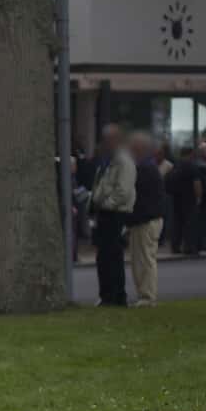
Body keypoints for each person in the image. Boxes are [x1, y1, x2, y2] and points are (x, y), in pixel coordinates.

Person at [89, 124, 135, 307]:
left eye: (108, 140)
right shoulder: (110, 161)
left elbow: (123, 190)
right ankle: (106, 295)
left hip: (115, 213)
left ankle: (116, 296)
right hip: (105, 213)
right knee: (104, 256)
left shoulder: (123, 161)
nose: (105, 143)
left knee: (112, 256)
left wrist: (106, 204)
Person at [128, 132, 166, 306]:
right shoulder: (147, 166)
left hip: (146, 220)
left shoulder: (144, 168)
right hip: (146, 219)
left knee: (144, 260)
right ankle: (145, 294)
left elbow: (136, 194)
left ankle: (147, 296)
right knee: (142, 259)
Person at [166, 144, 204, 257]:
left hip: (177, 198)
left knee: (177, 222)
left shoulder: (176, 165)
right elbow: (197, 183)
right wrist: (199, 197)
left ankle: (175, 246)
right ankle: (189, 247)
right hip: (190, 199)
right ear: (190, 154)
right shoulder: (192, 166)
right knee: (190, 223)